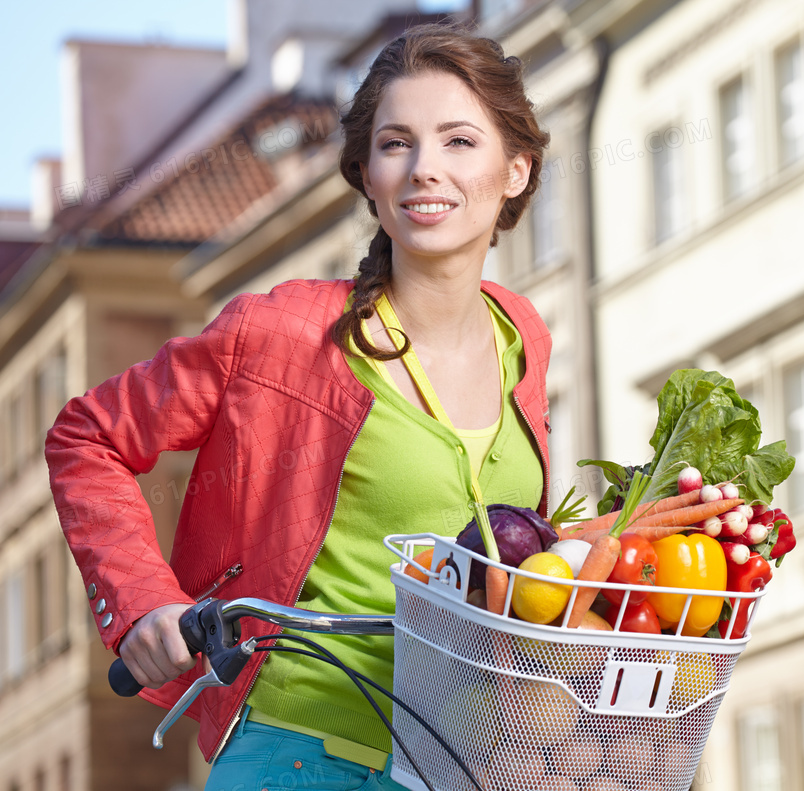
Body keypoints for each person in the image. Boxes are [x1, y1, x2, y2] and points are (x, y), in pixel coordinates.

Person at [45, 21, 553, 791]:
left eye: (459, 142)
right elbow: (88, 436)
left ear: (515, 170)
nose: (424, 170)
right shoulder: (281, 331)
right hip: (300, 757)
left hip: (466, 765)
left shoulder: (525, 335)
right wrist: (146, 601)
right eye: (395, 144)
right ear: (366, 175)